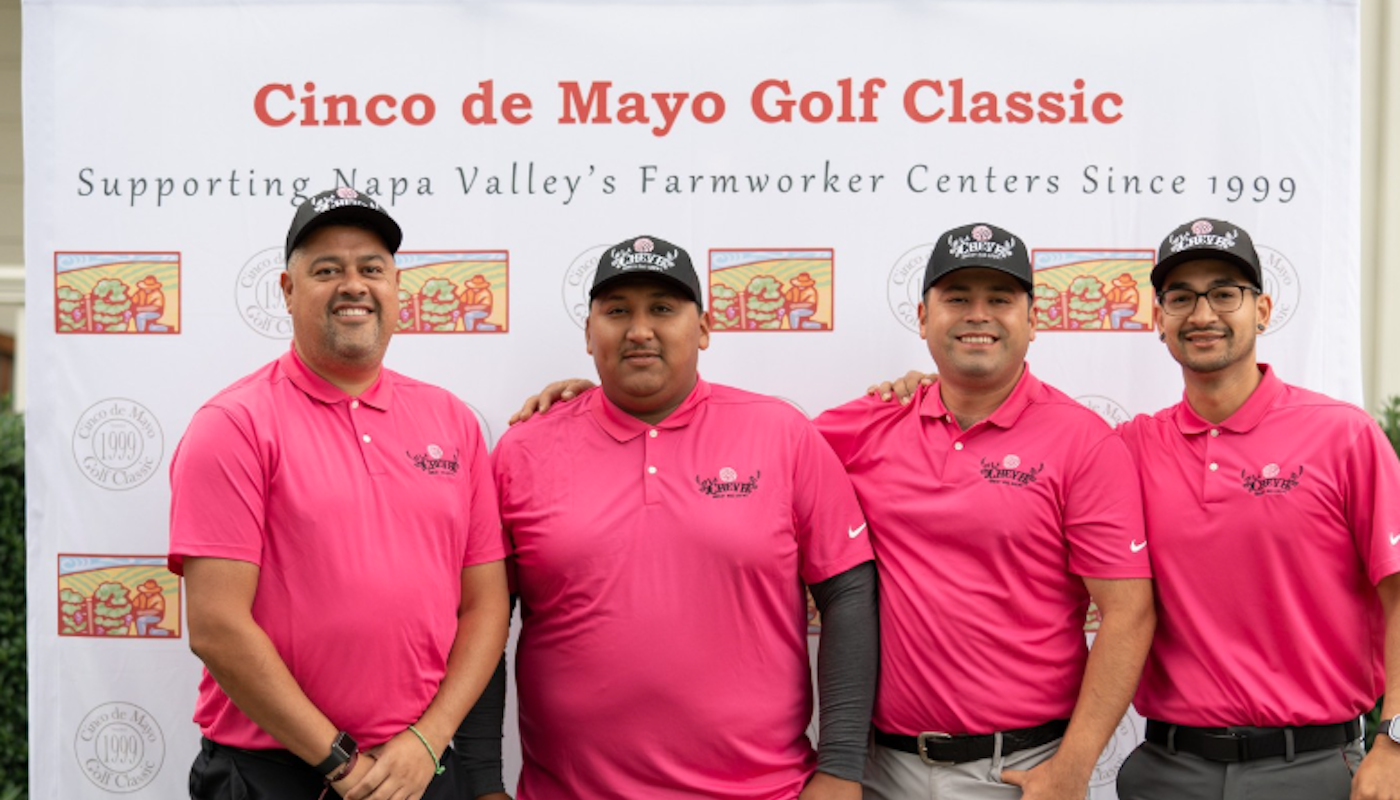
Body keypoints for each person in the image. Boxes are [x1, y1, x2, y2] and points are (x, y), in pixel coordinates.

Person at [515, 224, 1155, 800]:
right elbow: (734, 444)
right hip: (884, 768)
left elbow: (1127, 611)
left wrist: (1074, 766)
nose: (977, 316)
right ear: (924, 316)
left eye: (999, 299)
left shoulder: (1083, 439)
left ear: (1033, 318)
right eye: (957, 298)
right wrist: (585, 401)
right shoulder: (862, 426)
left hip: (1017, 768)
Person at [479, 234, 878, 800]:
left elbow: (851, 594)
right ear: (590, 334)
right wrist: (480, 782)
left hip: (764, 792)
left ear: (705, 328)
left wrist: (840, 769)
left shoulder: (782, 435)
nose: (639, 329)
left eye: (662, 309)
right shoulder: (522, 453)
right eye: (618, 311)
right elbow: (480, 622)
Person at [169, 187, 509, 800]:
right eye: (327, 270)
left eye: (371, 269)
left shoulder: (453, 421)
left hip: (419, 767)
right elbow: (216, 625)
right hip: (275, 775)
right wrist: (342, 764)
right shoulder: (235, 423)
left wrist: (430, 740)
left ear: (397, 289)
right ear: (287, 290)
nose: (354, 284)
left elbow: (484, 606)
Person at [1110, 218, 1400, 800]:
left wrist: (1394, 743)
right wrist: (927, 389)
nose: (1202, 314)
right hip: (1168, 770)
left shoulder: (1343, 435)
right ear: (1158, 318)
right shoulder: (1129, 447)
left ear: (1262, 310)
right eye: (1181, 298)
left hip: (1313, 769)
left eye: (1225, 293)